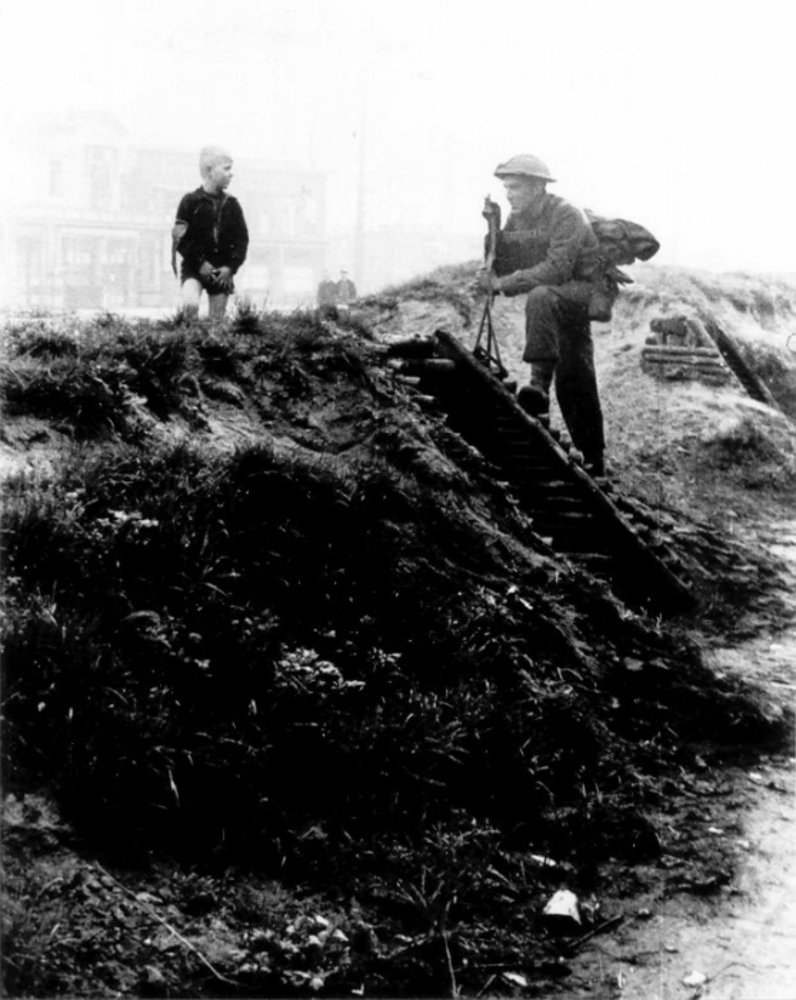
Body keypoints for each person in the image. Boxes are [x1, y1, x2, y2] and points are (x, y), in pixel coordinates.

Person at [475, 154, 606, 477]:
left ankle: (538, 386)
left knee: (541, 296)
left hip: (583, 292)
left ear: (537, 187)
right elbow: (506, 263)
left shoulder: (566, 214)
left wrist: (501, 284)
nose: (509, 194)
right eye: (507, 188)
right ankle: (594, 459)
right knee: (574, 374)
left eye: (516, 187)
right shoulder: (518, 218)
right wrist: (493, 230)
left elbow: (555, 270)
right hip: (557, 301)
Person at [172, 145, 249, 323]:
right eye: (226, 169)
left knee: (217, 320)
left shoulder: (232, 204)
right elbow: (180, 239)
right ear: (210, 171)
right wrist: (200, 263)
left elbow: (242, 241)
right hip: (194, 268)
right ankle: (189, 338)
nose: (231, 174)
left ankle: (211, 339)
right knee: (190, 304)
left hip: (221, 272)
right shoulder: (189, 201)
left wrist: (230, 268)